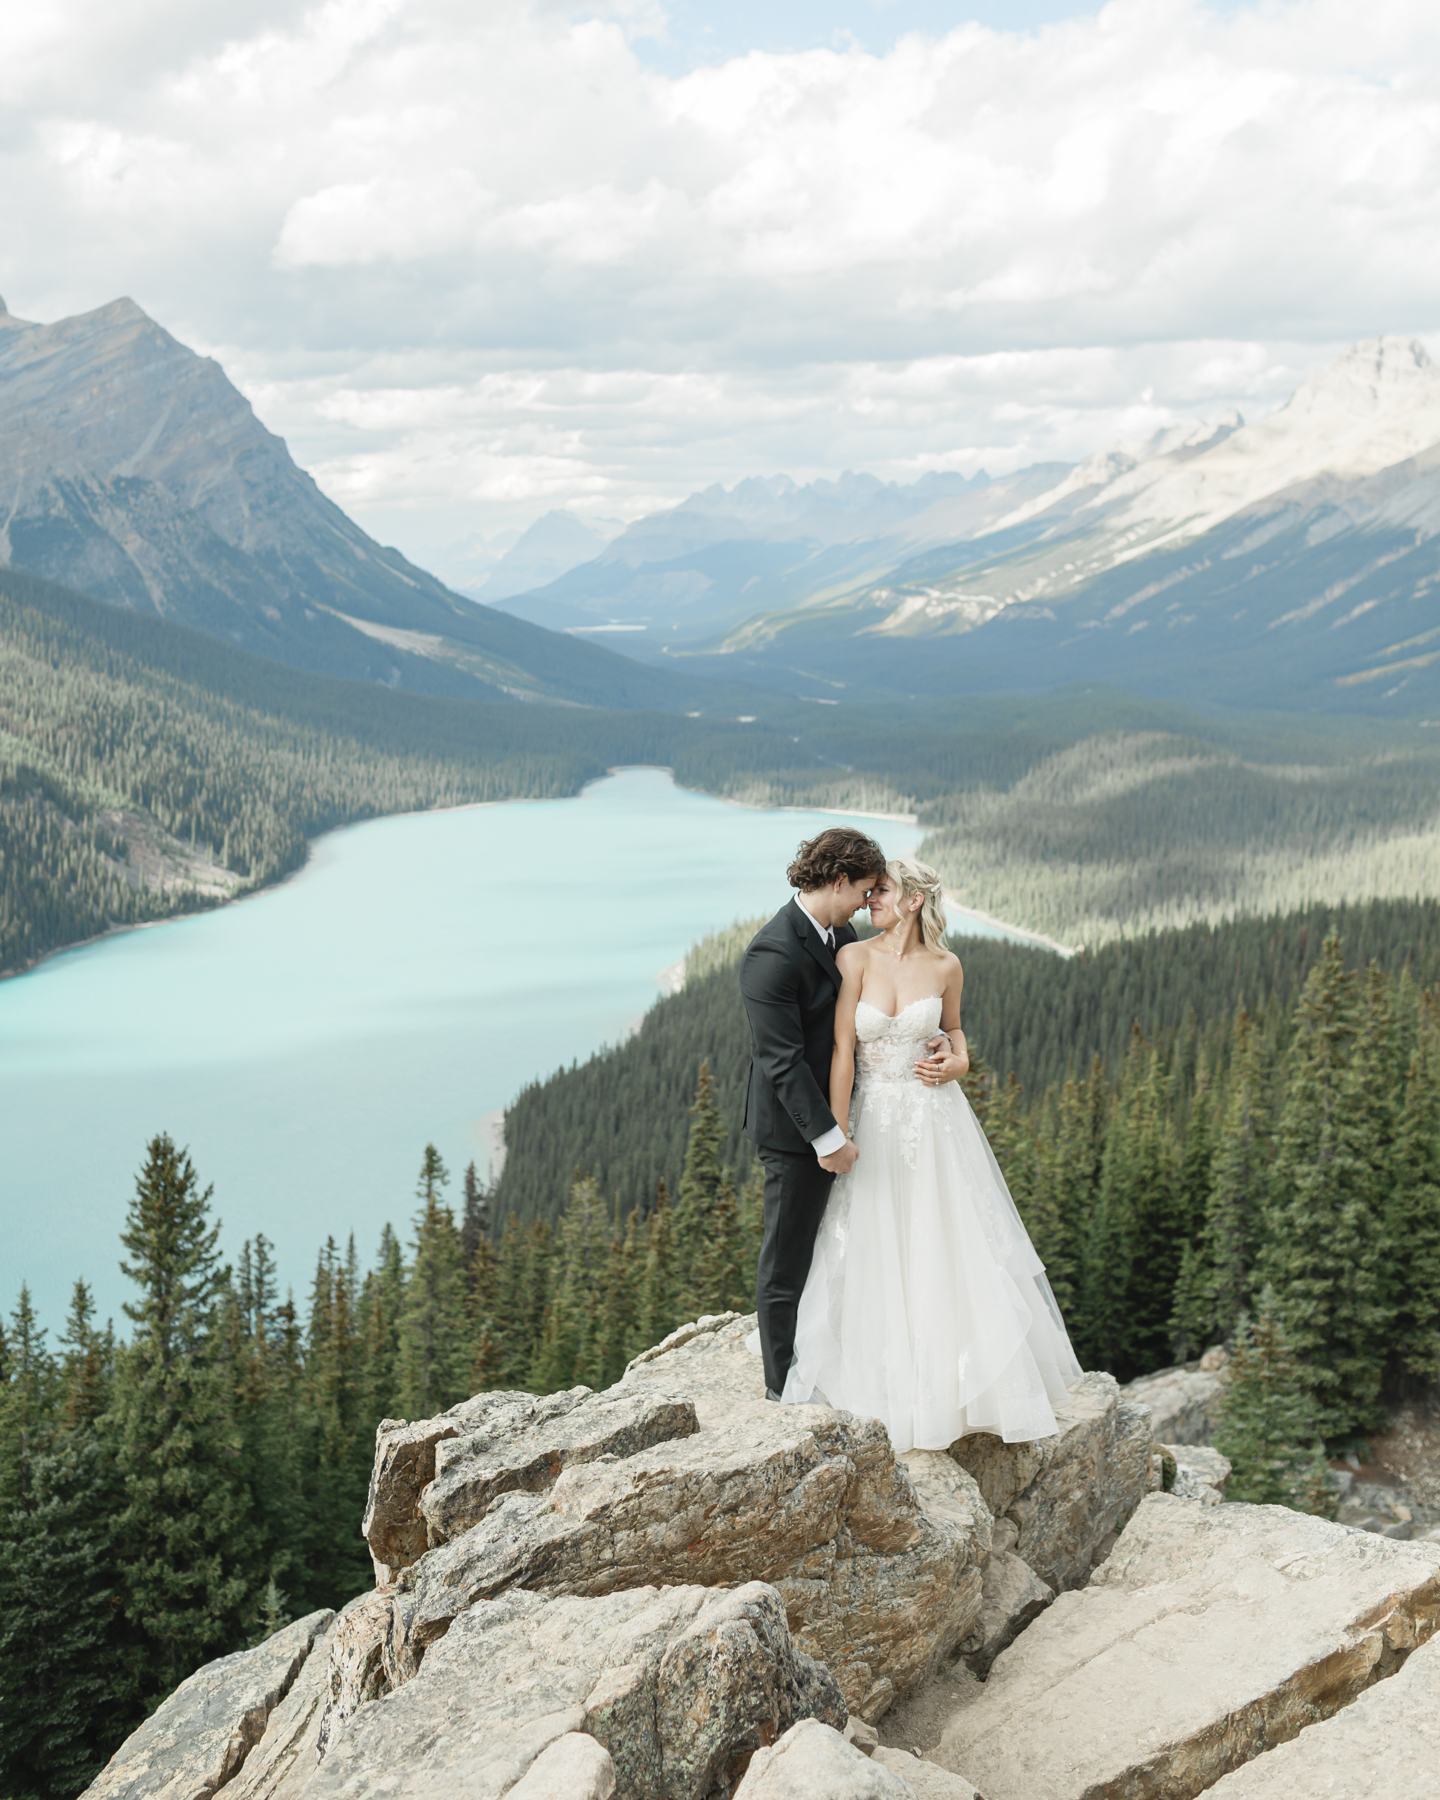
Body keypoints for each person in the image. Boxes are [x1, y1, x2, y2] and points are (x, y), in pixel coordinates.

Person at [779, 856, 1081, 1451]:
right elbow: (843, 1050)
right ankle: (882, 1382)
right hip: (874, 1118)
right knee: (871, 1242)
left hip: (934, 1121)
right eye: (870, 894)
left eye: (882, 892)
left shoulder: (947, 965)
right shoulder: (853, 957)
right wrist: (837, 1131)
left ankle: (953, 1387)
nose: (871, 902)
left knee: (943, 1242)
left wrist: (961, 1061)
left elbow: (957, 1031)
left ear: (914, 899)